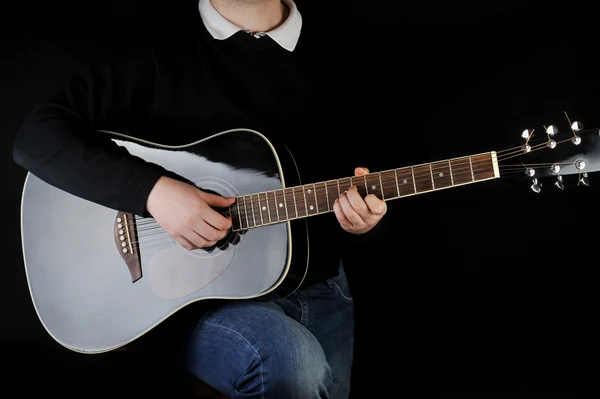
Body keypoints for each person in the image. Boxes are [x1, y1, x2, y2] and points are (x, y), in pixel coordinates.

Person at [13, 0, 390, 398]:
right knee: (291, 359)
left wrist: (363, 224)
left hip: (321, 286)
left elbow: (369, 180)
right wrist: (155, 192)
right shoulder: (157, 47)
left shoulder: (343, 56)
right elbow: (37, 137)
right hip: (204, 299)